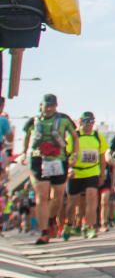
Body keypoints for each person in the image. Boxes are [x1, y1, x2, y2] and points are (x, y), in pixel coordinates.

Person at [21, 94, 77, 244]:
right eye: (46, 105)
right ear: (41, 106)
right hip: (38, 159)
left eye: (52, 105)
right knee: (42, 195)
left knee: (58, 196)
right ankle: (44, 231)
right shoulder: (33, 121)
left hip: (59, 160)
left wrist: (75, 154)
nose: (49, 108)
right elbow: (27, 136)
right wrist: (23, 152)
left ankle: (51, 219)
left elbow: (74, 136)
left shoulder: (64, 119)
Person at [65, 112, 107, 239]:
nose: (88, 124)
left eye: (91, 121)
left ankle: (89, 227)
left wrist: (102, 174)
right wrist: (68, 169)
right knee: (72, 202)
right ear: (80, 122)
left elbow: (102, 157)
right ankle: (69, 225)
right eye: (85, 121)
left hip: (92, 171)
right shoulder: (74, 136)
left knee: (92, 199)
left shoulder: (98, 136)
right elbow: (66, 155)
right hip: (76, 172)